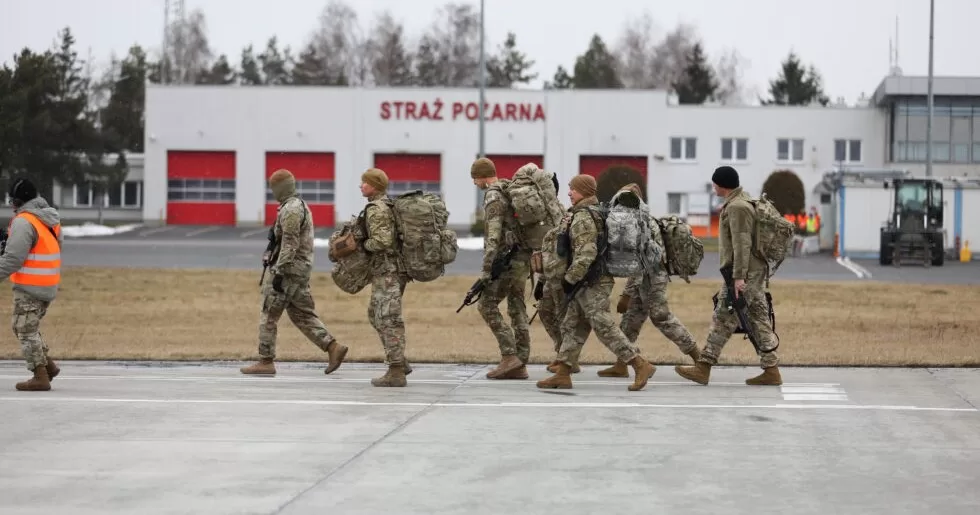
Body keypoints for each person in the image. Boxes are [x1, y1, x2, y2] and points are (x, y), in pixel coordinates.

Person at [536, 174, 656, 391]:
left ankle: (640, 364)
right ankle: (563, 373)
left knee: (603, 326)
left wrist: (569, 280)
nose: (569, 193)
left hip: (592, 282)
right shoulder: (592, 212)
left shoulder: (583, 217)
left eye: (572, 189)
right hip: (587, 280)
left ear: (583, 190)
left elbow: (586, 253)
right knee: (572, 325)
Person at [675, 166, 782, 386]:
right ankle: (771, 370)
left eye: (714, 183)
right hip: (750, 272)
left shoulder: (738, 207)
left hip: (744, 273)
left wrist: (739, 277)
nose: (713, 187)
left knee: (724, 316)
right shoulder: (741, 202)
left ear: (722, 184)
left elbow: (742, 243)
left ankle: (703, 367)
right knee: (759, 318)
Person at [240, 169, 348, 376]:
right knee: (302, 315)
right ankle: (333, 347)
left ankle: (265, 361)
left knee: (269, 315)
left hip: (288, 271)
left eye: (273, 188)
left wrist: (278, 272)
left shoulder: (290, 209)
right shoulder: (298, 206)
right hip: (299, 271)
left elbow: (290, 243)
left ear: (280, 188)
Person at [598, 183, 701, 378]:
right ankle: (621, 364)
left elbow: (640, 261)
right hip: (644, 278)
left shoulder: (641, 223)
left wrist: (626, 294)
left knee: (661, 317)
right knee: (631, 320)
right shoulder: (637, 221)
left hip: (653, 277)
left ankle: (700, 360)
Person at [471, 157, 532, 380]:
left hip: (506, 261)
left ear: (482, 176)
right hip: (521, 259)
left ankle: (510, 356)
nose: (475, 184)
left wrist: (487, 269)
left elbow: (493, 236)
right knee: (517, 308)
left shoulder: (494, 195)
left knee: (486, 305)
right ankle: (520, 364)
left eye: (475, 179)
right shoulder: (508, 188)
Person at [0, 178, 63, 391]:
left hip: (30, 285)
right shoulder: (49, 219)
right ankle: (49, 366)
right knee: (27, 327)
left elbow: (12, 260)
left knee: (24, 329)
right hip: (47, 283)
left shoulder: (24, 221)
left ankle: (40, 375)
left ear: (17, 201)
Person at [358, 168, 412, 387]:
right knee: (375, 314)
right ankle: (400, 360)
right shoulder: (386, 204)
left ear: (374, 186)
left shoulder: (377, 209)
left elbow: (382, 241)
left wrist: (362, 245)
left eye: (364, 182)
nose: (361, 186)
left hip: (388, 271)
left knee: (388, 318)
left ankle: (396, 370)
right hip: (390, 270)